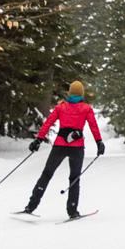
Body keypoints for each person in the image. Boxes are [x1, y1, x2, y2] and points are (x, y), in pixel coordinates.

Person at [22, 80, 105, 218]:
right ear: (82, 94)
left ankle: (31, 206)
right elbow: (93, 126)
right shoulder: (86, 108)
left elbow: (48, 123)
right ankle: (72, 211)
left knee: (46, 174)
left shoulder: (61, 107)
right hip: (77, 148)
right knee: (74, 178)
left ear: (70, 93)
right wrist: (99, 142)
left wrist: (38, 139)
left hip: (59, 146)